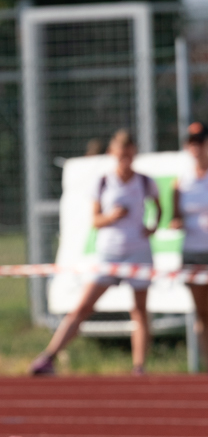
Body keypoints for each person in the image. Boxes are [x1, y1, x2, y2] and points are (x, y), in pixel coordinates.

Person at [30, 129, 161, 377]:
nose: (125, 160)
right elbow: (96, 220)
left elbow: (159, 207)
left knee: (140, 311)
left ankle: (139, 367)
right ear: (113, 153)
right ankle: (49, 356)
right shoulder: (103, 182)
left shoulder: (144, 181)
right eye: (121, 156)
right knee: (83, 307)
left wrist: (152, 227)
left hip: (138, 253)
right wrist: (112, 216)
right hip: (109, 255)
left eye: (129, 155)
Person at [171, 121, 208, 367]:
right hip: (193, 253)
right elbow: (175, 217)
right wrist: (176, 223)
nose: (196, 148)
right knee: (203, 313)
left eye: (200, 142)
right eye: (191, 143)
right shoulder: (181, 181)